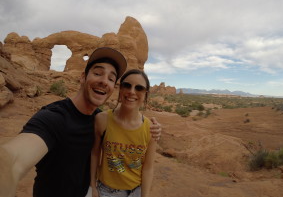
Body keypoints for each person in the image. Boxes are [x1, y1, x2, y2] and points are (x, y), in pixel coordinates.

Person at [0, 47, 162, 197]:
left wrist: (154, 128)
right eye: (98, 73)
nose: (104, 81)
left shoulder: (100, 118)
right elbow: (13, 160)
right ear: (83, 77)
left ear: (113, 87)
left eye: (111, 78)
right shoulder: (53, 117)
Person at [90, 69, 156, 197]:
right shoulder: (102, 120)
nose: (132, 91)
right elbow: (95, 154)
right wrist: (92, 185)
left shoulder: (150, 128)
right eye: (127, 85)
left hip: (136, 191)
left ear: (145, 94)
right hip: (107, 191)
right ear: (120, 89)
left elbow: (148, 168)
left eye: (139, 88)